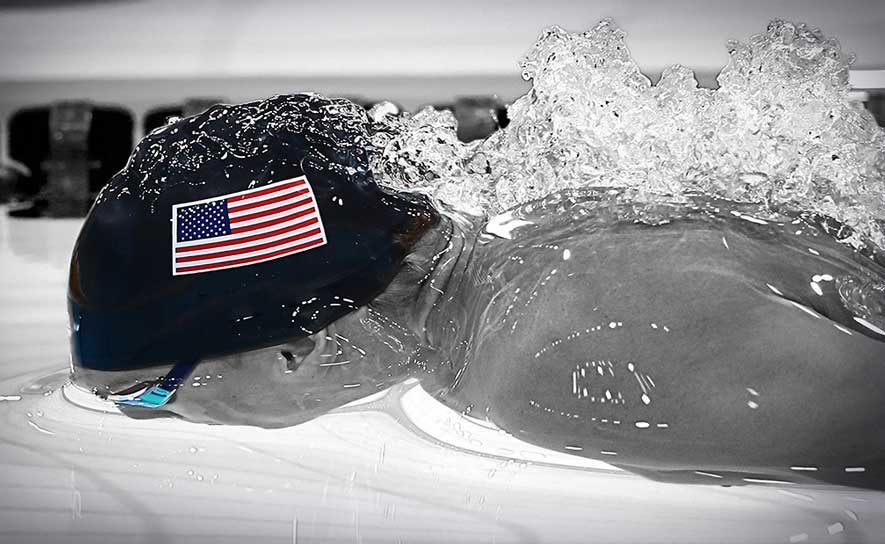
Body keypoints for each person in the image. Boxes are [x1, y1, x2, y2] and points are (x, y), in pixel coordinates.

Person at [69, 93, 885, 489]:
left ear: (294, 347)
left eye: (144, 394)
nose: (148, 416)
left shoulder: (550, 365)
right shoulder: (537, 229)